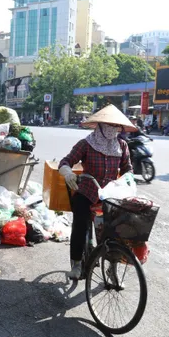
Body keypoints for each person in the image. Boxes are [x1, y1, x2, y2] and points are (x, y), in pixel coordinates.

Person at [58, 105, 135, 279]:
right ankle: (77, 264)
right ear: (100, 125)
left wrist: (127, 181)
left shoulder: (122, 145)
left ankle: (112, 268)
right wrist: (68, 172)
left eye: (116, 126)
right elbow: (65, 161)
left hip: (109, 195)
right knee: (80, 226)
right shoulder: (86, 144)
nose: (113, 129)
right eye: (109, 124)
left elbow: (127, 169)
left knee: (116, 232)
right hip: (87, 192)